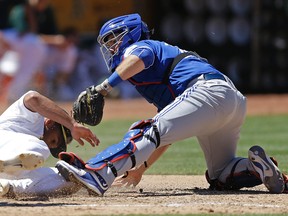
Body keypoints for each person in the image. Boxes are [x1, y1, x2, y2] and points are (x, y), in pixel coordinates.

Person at [55, 13, 287, 195]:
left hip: (207, 92)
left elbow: (140, 58)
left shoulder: (139, 48)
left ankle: (97, 174)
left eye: (114, 40)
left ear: (131, 35)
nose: (111, 47)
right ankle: (256, 167)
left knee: (146, 129)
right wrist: (140, 170)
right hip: (230, 101)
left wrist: (103, 88)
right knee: (220, 174)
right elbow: (166, 133)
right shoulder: (155, 67)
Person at [0, 90, 98, 198]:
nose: (52, 146)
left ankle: (7, 187)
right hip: (3, 144)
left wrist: (97, 178)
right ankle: (6, 165)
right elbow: (32, 98)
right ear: (50, 123)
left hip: (8, 172)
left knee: (73, 179)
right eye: (54, 140)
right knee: (42, 148)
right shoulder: (33, 117)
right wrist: (72, 124)